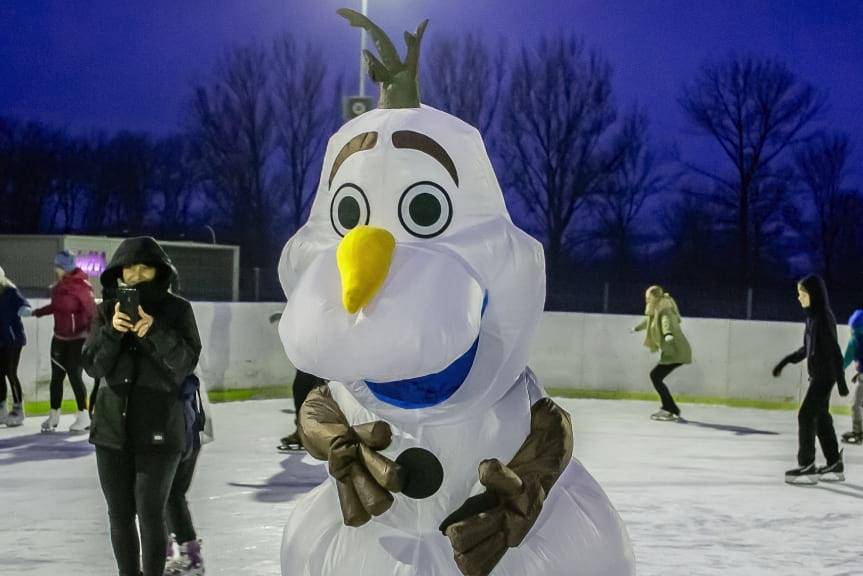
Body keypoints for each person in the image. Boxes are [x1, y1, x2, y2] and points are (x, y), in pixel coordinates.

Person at [83, 237, 201, 576]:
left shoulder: (178, 310)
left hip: (160, 428)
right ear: (118, 273)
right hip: (111, 430)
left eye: (143, 267)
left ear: (158, 271)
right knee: (119, 515)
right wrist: (112, 332)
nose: (135, 275)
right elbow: (92, 366)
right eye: (129, 268)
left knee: (151, 514)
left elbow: (185, 363)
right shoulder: (106, 311)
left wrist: (155, 331)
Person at [773, 274, 849, 485]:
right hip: (819, 375)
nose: (799, 298)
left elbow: (835, 351)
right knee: (821, 417)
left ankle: (807, 465)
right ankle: (834, 462)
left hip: (825, 376)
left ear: (814, 295)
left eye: (803, 294)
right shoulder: (812, 318)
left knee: (806, 415)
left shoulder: (823, 318)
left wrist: (841, 382)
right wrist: (786, 361)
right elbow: (807, 348)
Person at [33, 250, 96, 432]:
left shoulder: (82, 286)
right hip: (59, 337)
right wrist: (36, 312)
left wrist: (92, 337)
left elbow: (92, 312)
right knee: (56, 377)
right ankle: (53, 416)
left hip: (78, 339)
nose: (56, 269)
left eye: (59, 266)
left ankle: (84, 417)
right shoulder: (58, 287)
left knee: (74, 375)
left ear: (66, 267)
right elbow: (55, 306)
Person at [165, 372, 214, 576]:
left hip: (181, 432)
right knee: (168, 495)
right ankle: (179, 552)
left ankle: (186, 554)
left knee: (168, 494)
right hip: (189, 430)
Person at [632, 285, 692, 421]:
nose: (646, 300)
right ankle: (671, 408)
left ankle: (669, 409)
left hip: (676, 351)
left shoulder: (664, 310)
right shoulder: (657, 309)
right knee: (656, 377)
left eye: (648, 297)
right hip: (673, 351)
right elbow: (648, 321)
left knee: (655, 376)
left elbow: (666, 322)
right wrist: (636, 328)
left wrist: (667, 334)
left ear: (655, 297)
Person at [0, 266, 31, 427]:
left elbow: (23, 303)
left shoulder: (10, 291)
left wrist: (24, 309)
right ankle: (2, 408)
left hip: (14, 339)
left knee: (11, 372)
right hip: (1, 340)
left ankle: (18, 409)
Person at [840, 309, 863, 445]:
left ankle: (858, 433)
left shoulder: (855, 339)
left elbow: (845, 361)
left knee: (855, 405)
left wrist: (837, 372)